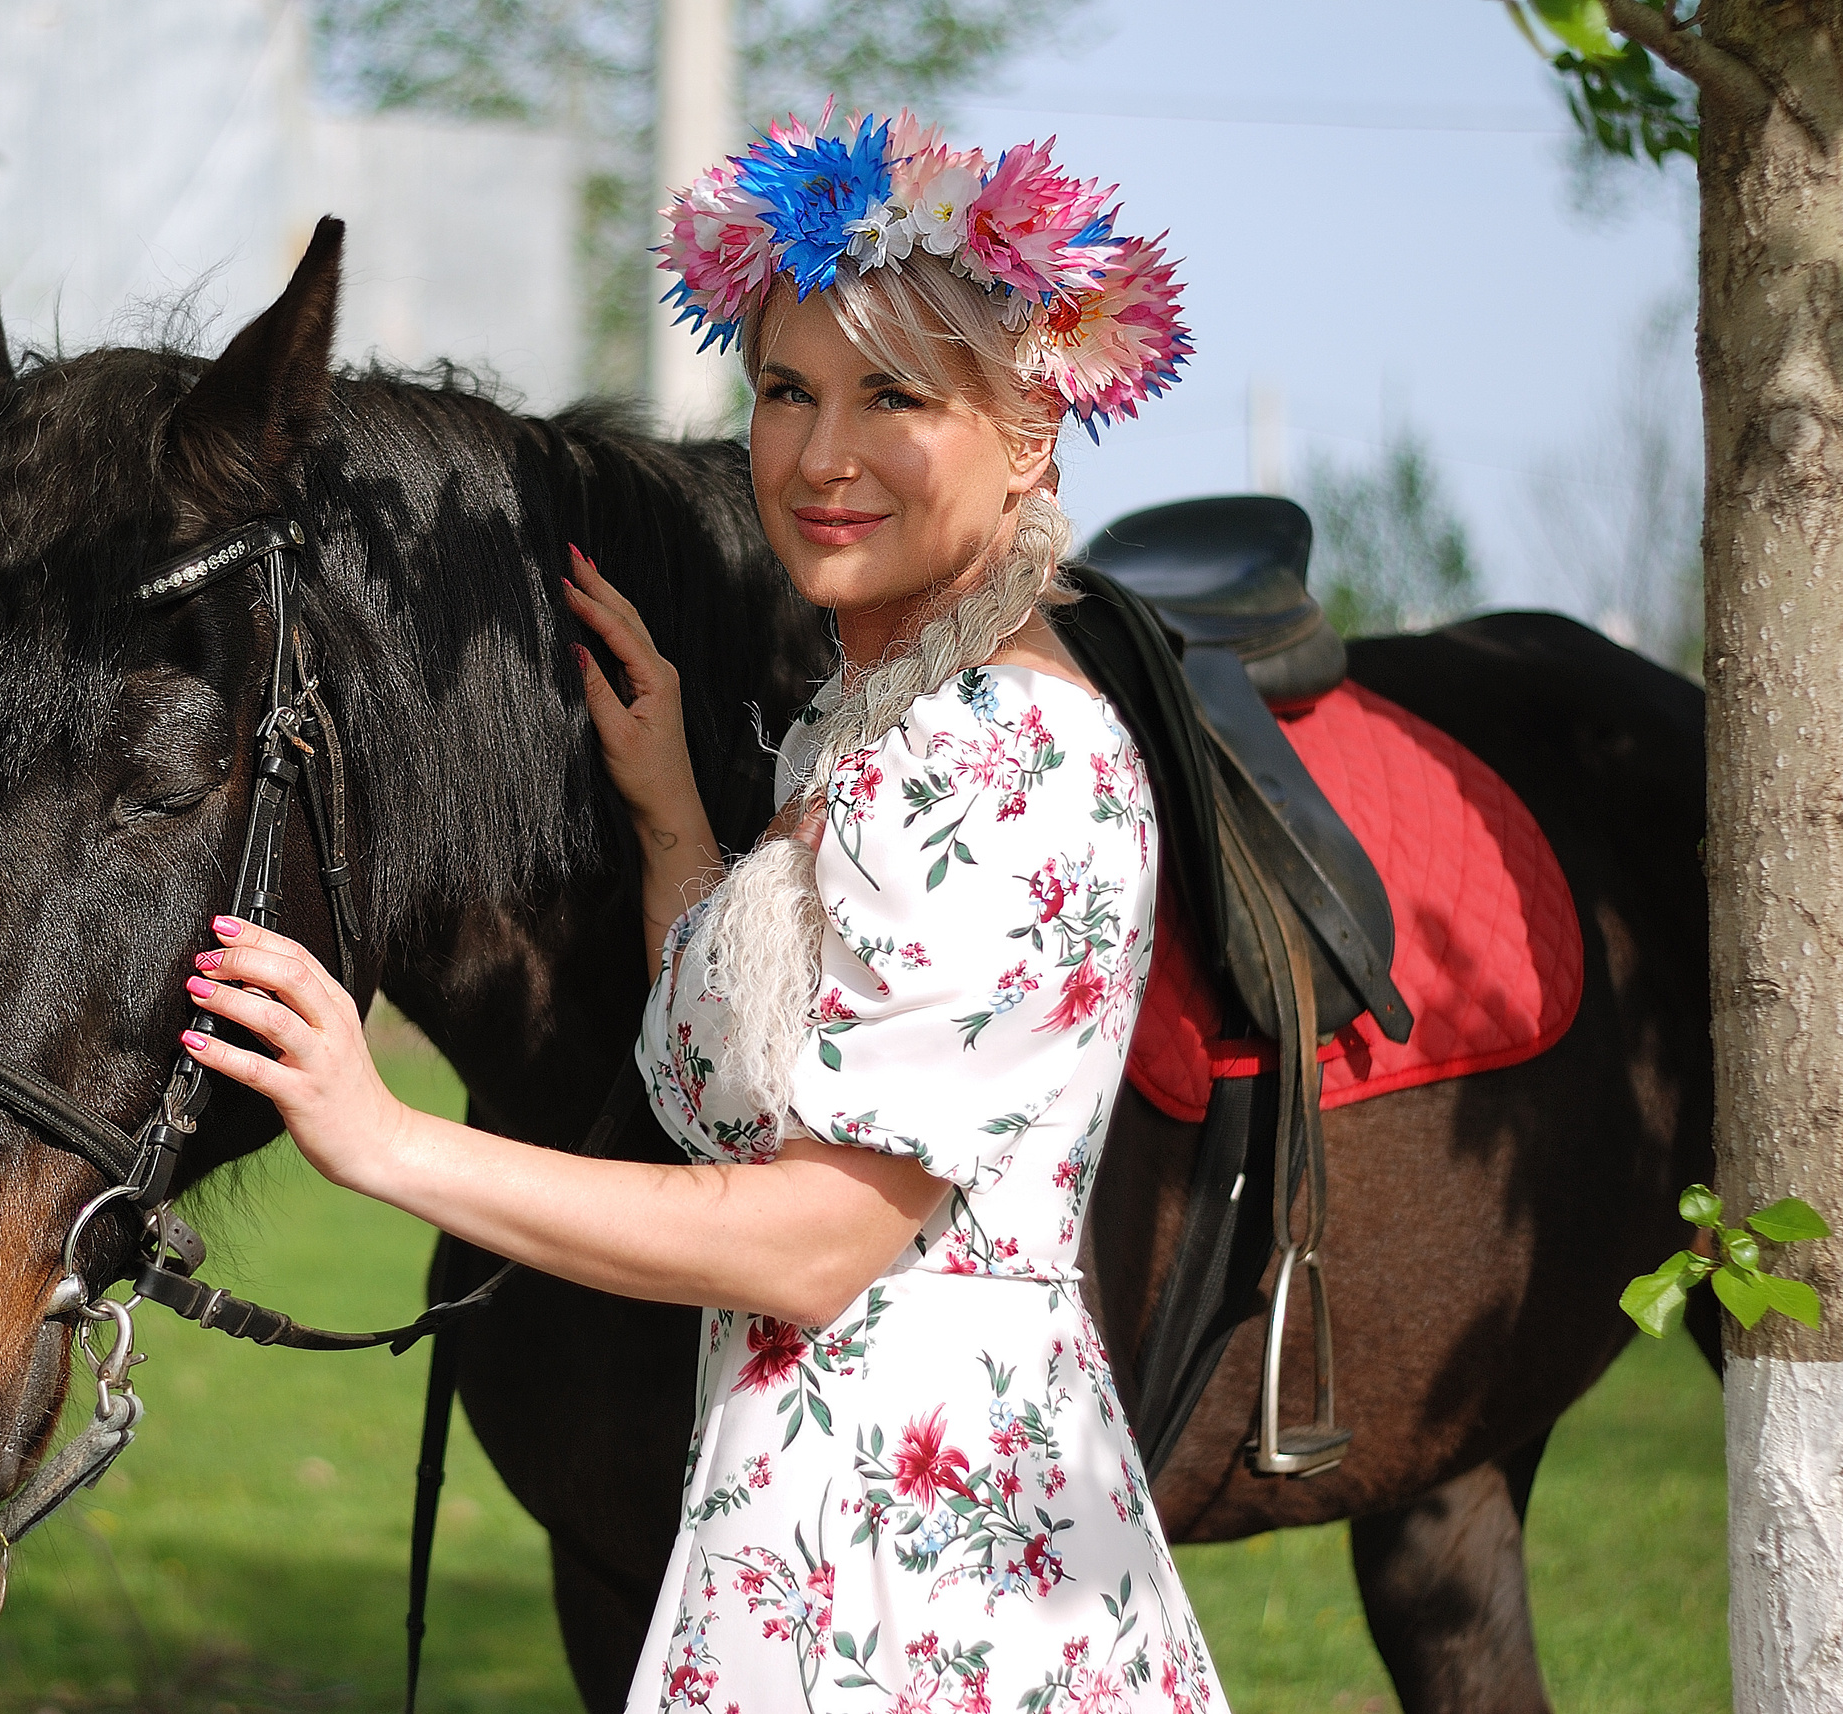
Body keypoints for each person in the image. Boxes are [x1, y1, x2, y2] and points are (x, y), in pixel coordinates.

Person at [175, 106, 1222, 1714]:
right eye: (786, 391)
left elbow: (810, 1241)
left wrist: (388, 1142)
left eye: (894, 397)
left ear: (1029, 436)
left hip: (925, 1570)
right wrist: (671, 804)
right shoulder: (877, 724)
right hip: (816, 1540)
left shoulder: (1008, 753)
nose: (817, 456)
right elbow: (771, 1089)